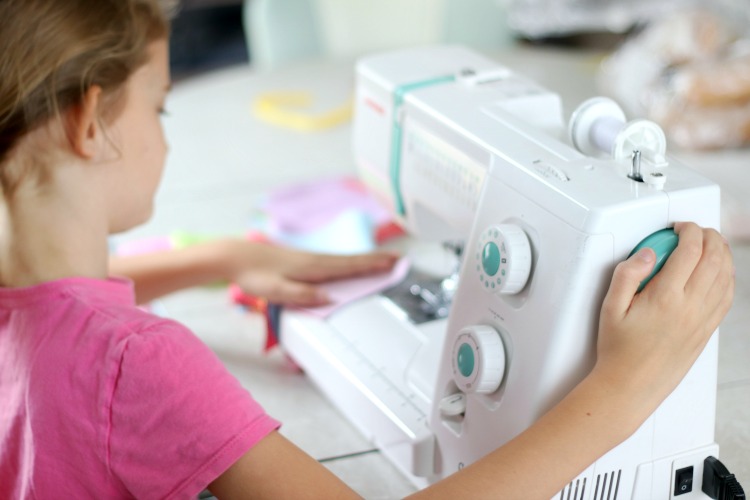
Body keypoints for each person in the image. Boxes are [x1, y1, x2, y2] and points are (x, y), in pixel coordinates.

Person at [0, 0, 734, 498]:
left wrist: (221, 257)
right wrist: (623, 391)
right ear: (91, 122)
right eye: (158, 105)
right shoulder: (140, 364)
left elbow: (62, 319)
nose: (166, 130)